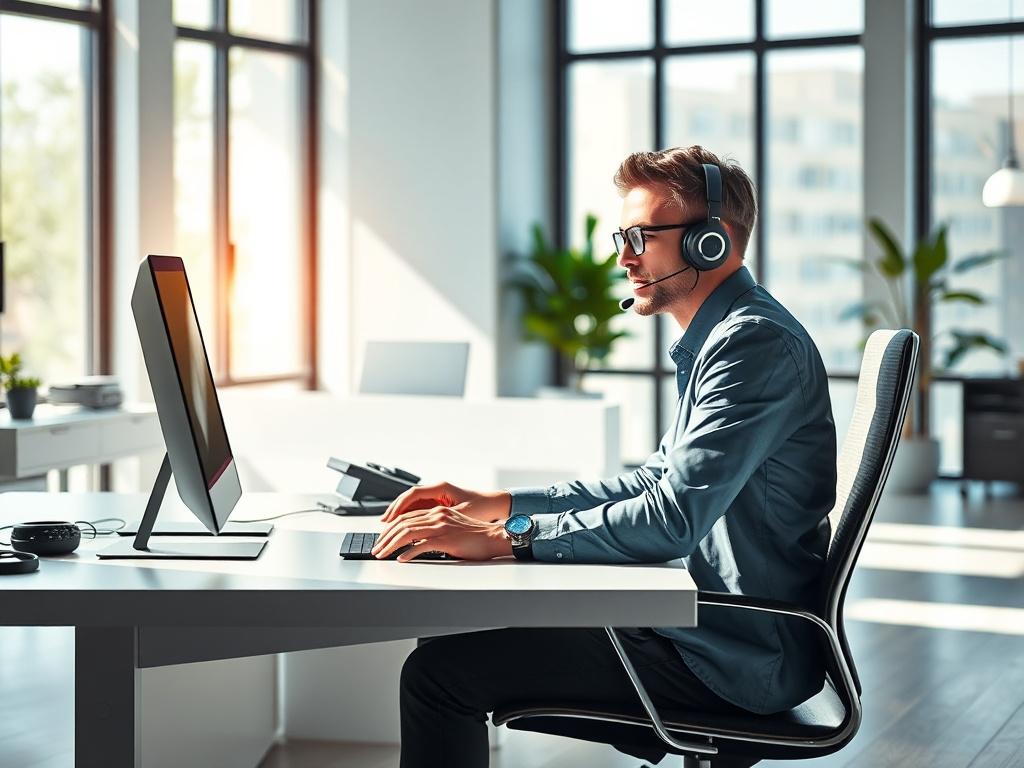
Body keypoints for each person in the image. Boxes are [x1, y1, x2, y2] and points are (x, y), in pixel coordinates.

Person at [371, 145, 838, 768]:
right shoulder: (730, 339)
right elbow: (654, 482)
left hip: (731, 654)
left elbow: (671, 518)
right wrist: (500, 506)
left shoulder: (751, 345)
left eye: (642, 236)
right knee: (456, 627)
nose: (624, 257)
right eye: (624, 236)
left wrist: (512, 538)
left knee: (437, 676)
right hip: (717, 630)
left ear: (711, 242)